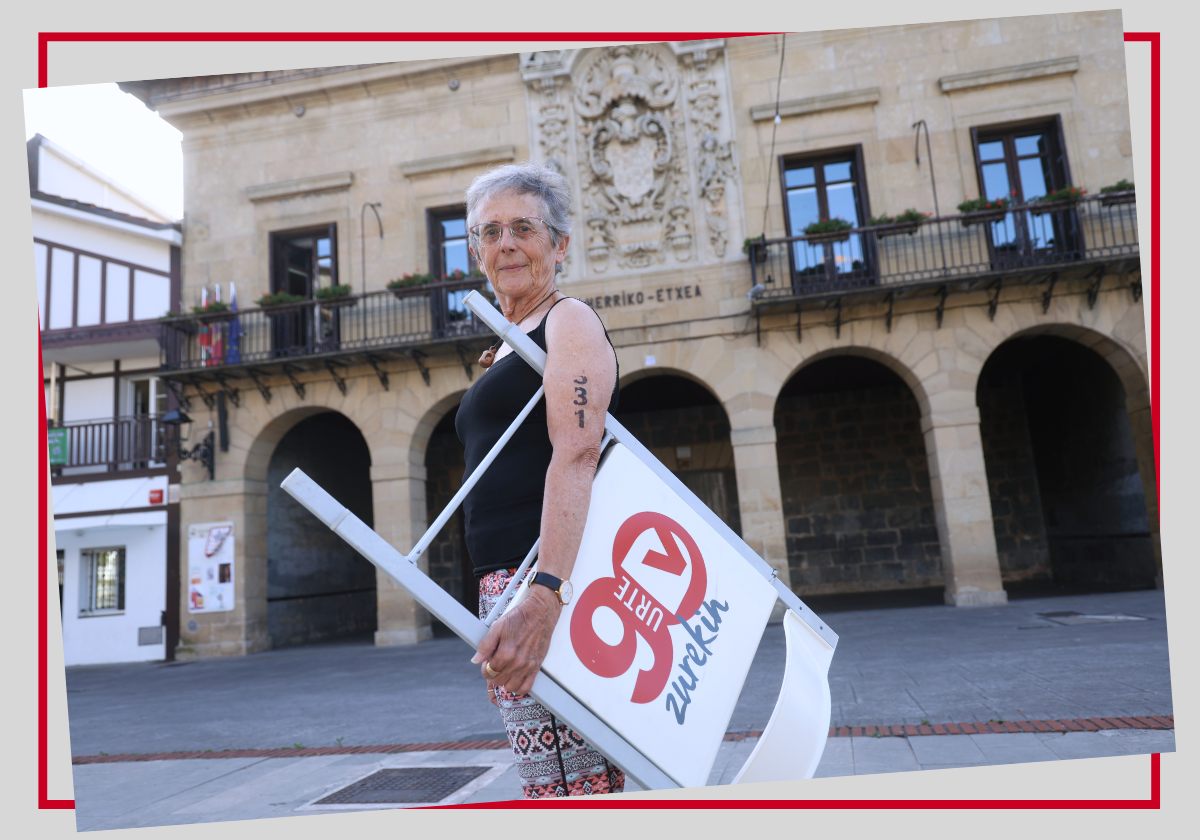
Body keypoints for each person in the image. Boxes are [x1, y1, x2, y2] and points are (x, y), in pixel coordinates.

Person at [454, 162, 622, 798]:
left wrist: (545, 595)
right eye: (490, 231)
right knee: (550, 781)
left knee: (577, 789)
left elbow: (577, 453)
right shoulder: (509, 342)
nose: (505, 244)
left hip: (546, 577)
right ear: (476, 250)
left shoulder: (567, 320)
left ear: (559, 244)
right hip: (510, 582)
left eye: (523, 228)